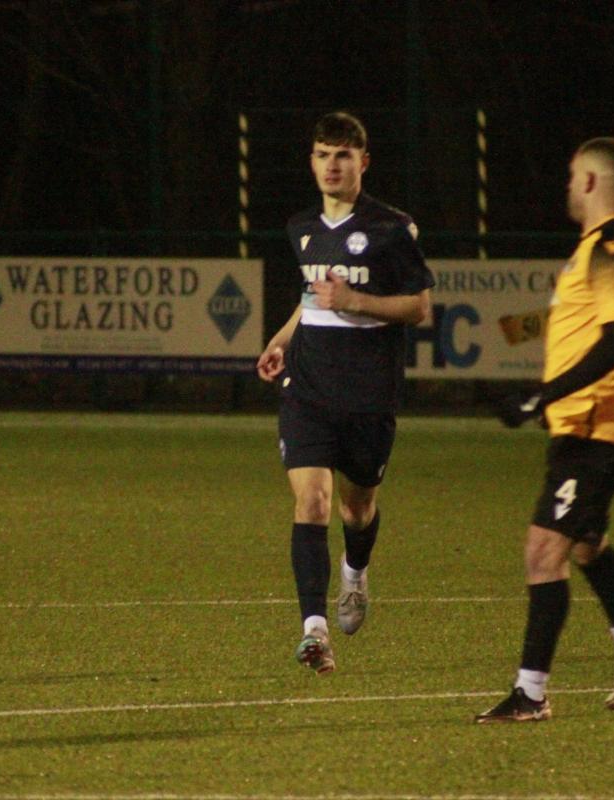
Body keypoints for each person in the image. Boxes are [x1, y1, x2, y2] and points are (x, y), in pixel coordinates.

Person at [475, 137, 614, 721]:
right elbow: (587, 328)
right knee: (586, 544)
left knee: (544, 551)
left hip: (597, 429)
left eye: (571, 176)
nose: (567, 186)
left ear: (589, 181)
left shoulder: (611, 247)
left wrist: (541, 396)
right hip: (591, 424)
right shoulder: (604, 246)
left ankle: (530, 695)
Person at [256, 111, 435, 675]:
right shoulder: (301, 227)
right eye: (322, 155)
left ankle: (354, 572)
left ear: (363, 162)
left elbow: (419, 307)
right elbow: (313, 296)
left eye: (342, 155)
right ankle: (314, 630)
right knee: (312, 501)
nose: (331, 165)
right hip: (308, 386)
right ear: (311, 162)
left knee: (357, 510)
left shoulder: (392, 229)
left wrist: (355, 301)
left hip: (368, 392)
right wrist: (281, 339)